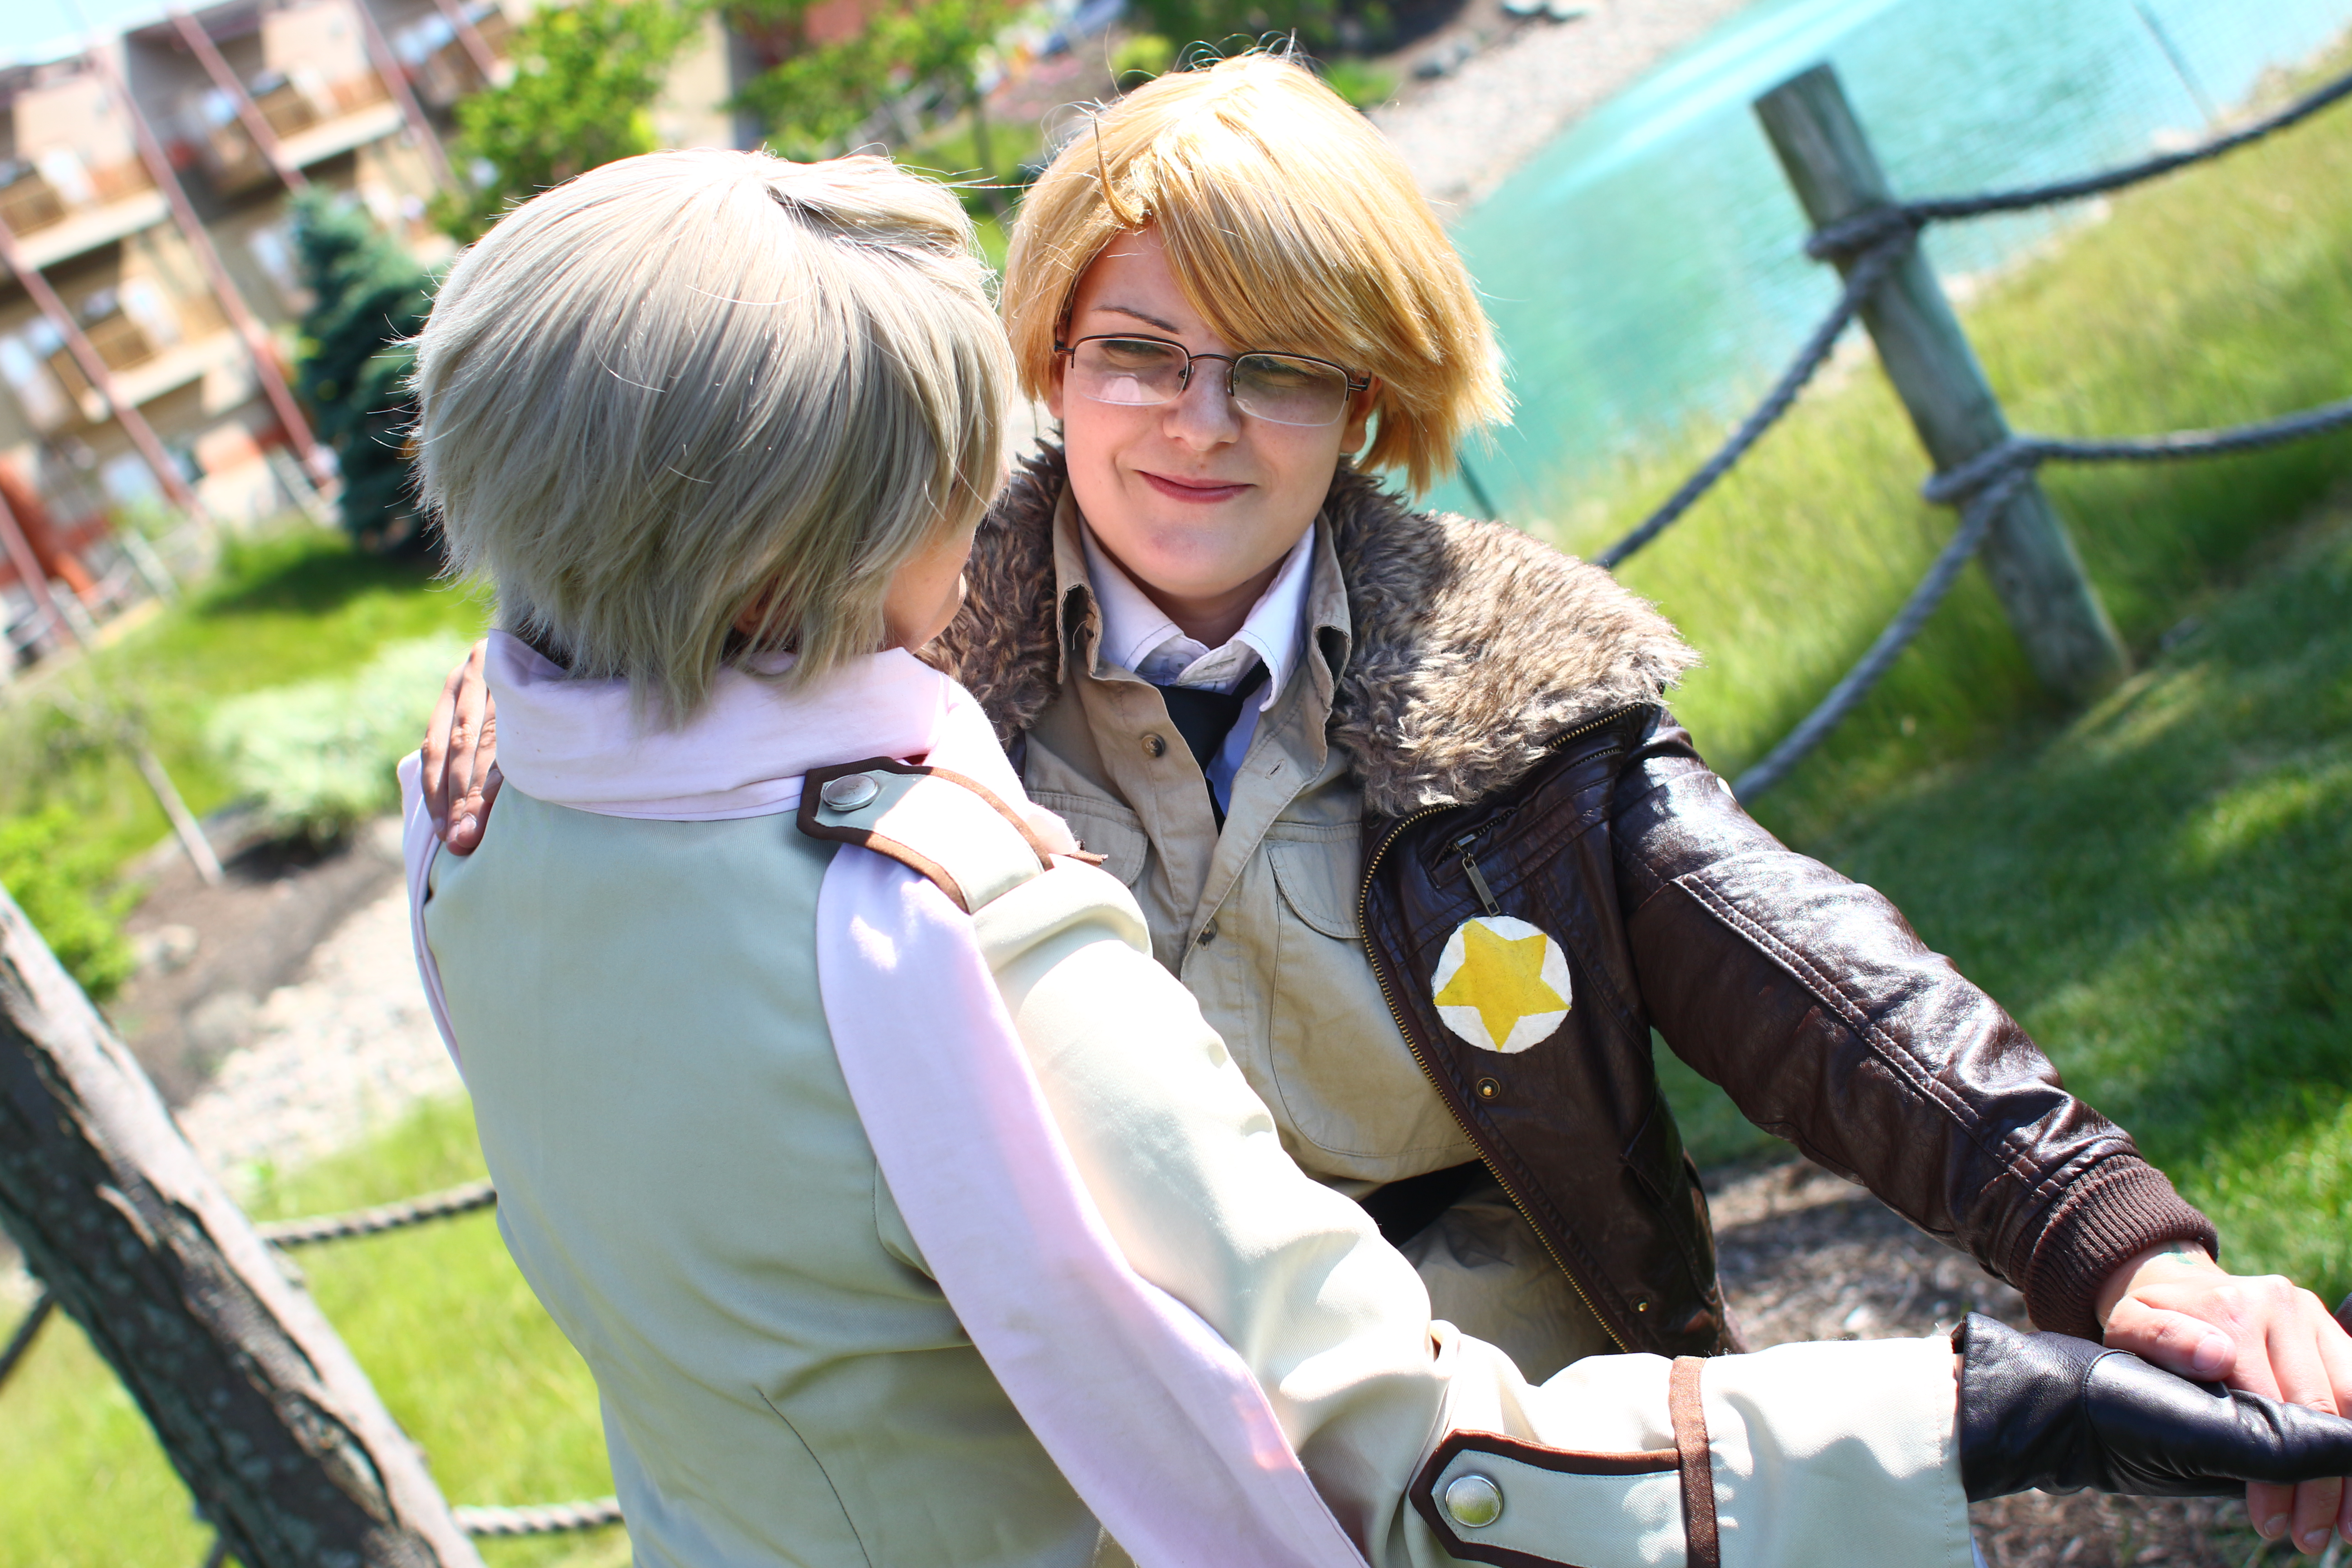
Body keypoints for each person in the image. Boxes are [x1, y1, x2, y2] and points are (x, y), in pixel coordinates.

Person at [421, 54, 2352, 1554]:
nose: (1197, 418)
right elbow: (656, 563)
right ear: (1047, 364)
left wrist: (2123, 1248)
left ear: (1374, 399)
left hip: (1545, 1438)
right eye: (1139, 352)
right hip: (1147, 1461)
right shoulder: (892, 677)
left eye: (1278, 367)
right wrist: (556, 685)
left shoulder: (1518, 691)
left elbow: (1822, 990)